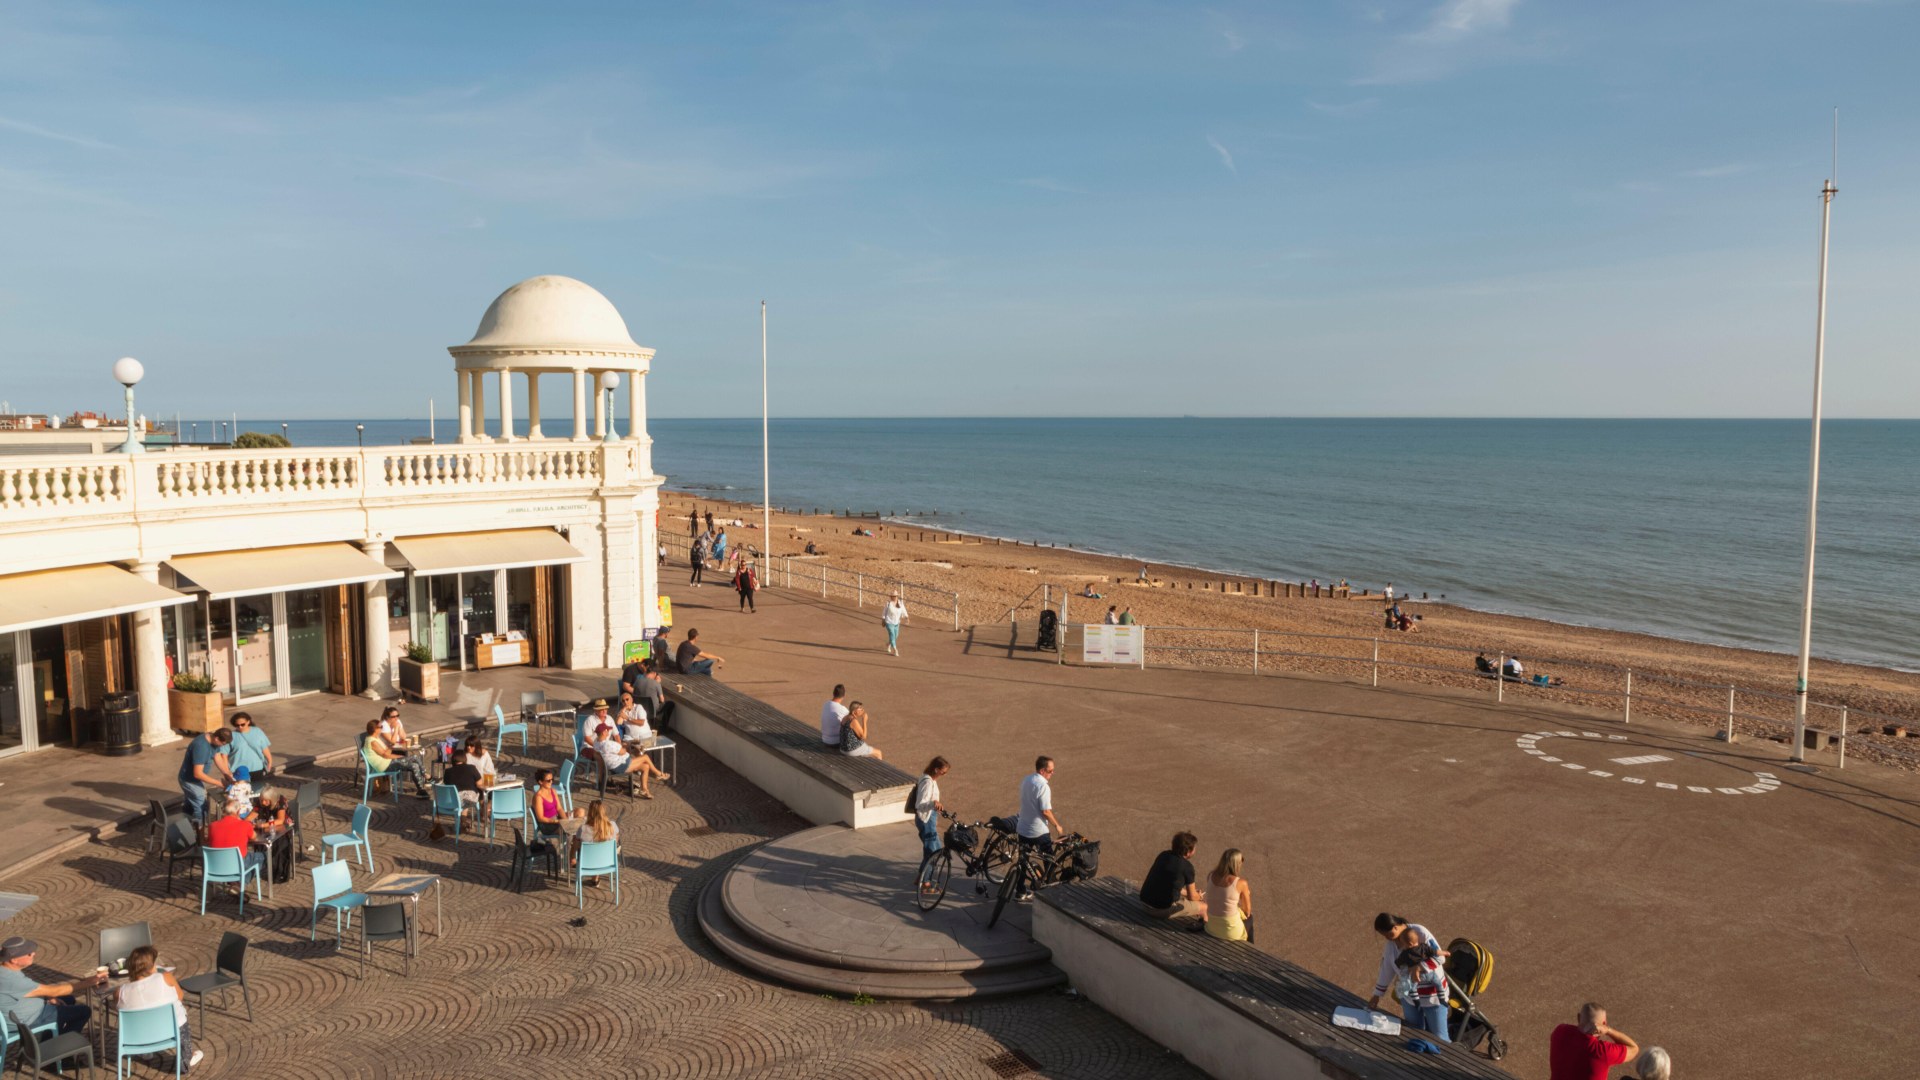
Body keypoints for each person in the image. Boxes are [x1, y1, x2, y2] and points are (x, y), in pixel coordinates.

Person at [118, 945, 203, 1072]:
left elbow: (121, 1010)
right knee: (180, 1016)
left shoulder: (121, 991)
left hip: (140, 1035)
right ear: (151, 967)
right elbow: (180, 996)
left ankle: (146, 1050)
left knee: (139, 1017)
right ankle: (186, 1059)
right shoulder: (165, 977)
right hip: (171, 1029)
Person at [0, 936, 102, 1038]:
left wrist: (48, 997)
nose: (34, 954)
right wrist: (89, 982)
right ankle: (63, 1049)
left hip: (21, 1012)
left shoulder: (4, 970)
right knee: (84, 1011)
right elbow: (55, 991)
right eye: (29, 953)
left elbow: (37, 991)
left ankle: (50, 1037)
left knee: (69, 999)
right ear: (14, 960)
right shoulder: (13, 980)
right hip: (29, 1020)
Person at [1367, 913, 1441, 1014]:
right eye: (1384, 935)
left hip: (1432, 997)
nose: (1387, 938)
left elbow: (1440, 957)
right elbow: (1386, 971)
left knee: (1436, 1030)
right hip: (1409, 999)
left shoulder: (1420, 931)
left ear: (1395, 927)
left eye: (1388, 934)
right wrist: (1376, 996)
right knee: (1413, 1029)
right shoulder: (1390, 946)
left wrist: (1418, 968)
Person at [1550, 1003, 1641, 1080]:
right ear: (1604, 1024)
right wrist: (1609, 1030)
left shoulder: (1560, 1031)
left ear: (1578, 1018)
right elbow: (1634, 1049)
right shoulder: (1602, 1052)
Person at [1139, 832, 1206, 920]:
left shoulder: (1163, 855)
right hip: (1160, 910)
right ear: (1188, 852)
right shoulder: (1187, 867)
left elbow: (1168, 883)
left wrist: (1186, 892)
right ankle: (1204, 928)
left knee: (1191, 902)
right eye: (1194, 848)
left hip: (1144, 904)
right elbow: (1192, 897)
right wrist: (1198, 896)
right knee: (1204, 906)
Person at [177, 726, 233, 826]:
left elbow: (217, 757)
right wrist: (219, 783)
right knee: (201, 805)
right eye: (222, 743)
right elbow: (198, 773)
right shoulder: (201, 747)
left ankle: (185, 823)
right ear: (216, 738)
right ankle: (200, 830)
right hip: (190, 780)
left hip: (194, 779)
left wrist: (226, 773)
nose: (222, 746)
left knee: (191, 802)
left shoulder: (214, 741)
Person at [1394, 942, 1450, 1042]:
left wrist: (1409, 968)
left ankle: (1417, 1001)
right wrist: (1445, 952)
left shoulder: (1405, 953)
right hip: (1429, 974)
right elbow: (1436, 953)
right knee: (1438, 985)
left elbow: (1398, 963)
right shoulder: (1423, 947)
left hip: (1416, 978)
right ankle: (1441, 999)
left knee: (1413, 988)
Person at [596, 723, 670, 798]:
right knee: (645, 757)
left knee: (645, 767)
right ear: (604, 732)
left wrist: (624, 746)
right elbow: (623, 752)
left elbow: (614, 752)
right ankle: (658, 774)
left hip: (614, 764)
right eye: (607, 730)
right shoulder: (608, 744)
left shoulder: (596, 743)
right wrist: (627, 746)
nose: (609, 732)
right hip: (621, 765)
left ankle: (644, 790)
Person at [206, 794, 266, 877]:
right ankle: (241, 882)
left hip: (216, 865)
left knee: (246, 856)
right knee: (264, 856)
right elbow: (255, 838)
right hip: (237, 864)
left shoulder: (212, 826)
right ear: (238, 812)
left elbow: (209, 840)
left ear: (223, 811)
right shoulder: (244, 825)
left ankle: (236, 882)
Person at [364, 719, 427, 797]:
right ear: (375, 729)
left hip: (387, 762)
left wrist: (391, 749)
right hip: (384, 765)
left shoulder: (375, 738)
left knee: (414, 765)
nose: (382, 728)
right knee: (414, 757)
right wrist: (397, 754)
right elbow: (385, 754)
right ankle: (426, 776)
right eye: (381, 727)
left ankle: (421, 790)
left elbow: (386, 752)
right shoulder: (372, 741)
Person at [1202, 849, 1253, 942]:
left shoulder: (1210, 875)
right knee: (1250, 918)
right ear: (1236, 863)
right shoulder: (1241, 883)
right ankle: (1250, 949)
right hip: (1231, 932)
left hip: (1211, 927)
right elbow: (1247, 911)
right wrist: (1245, 895)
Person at [1017, 755, 1062, 857]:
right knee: (1049, 862)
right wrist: (1057, 826)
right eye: (1050, 771)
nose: (1052, 773)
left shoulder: (1026, 779)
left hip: (1022, 829)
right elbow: (1046, 811)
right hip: (1038, 832)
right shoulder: (1043, 786)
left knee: (1023, 862)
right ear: (1042, 771)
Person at [913, 757, 949, 864]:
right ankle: (926, 879)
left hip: (929, 817)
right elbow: (920, 804)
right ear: (936, 770)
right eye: (943, 772)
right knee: (932, 852)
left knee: (934, 850)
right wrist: (934, 803)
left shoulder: (931, 779)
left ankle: (920, 878)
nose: (944, 775)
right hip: (926, 819)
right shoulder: (928, 782)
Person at [225, 711, 272, 777]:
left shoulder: (257, 731)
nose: (240, 727)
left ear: (248, 722)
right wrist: (226, 770)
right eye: (237, 725)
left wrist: (269, 761)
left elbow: (264, 748)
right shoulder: (231, 736)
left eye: (242, 724)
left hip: (257, 768)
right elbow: (224, 755)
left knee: (258, 787)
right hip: (238, 770)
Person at [881, 591, 908, 656]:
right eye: (893, 596)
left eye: (895, 596)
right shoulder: (888, 603)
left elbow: (903, 610)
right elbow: (884, 612)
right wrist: (883, 619)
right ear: (891, 597)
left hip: (897, 622)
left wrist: (907, 617)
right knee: (892, 635)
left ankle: (889, 644)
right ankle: (896, 650)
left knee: (895, 636)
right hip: (889, 622)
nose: (894, 597)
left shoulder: (900, 603)